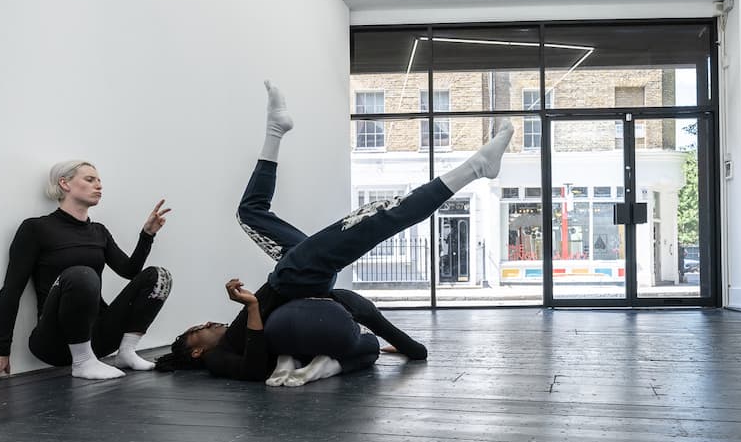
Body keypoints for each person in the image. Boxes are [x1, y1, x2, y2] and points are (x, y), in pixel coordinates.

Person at [155, 80, 514, 387]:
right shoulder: (218, 359)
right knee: (374, 221)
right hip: (292, 278)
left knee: (250, 213)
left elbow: (372, 324)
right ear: (196, 349)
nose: (204, 324)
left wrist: (405, 348)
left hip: (294, 273)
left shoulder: (227, 341)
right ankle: (475, 168)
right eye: (196, 331)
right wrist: (251, 305)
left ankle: (275, 131)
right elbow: (252, 370)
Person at [0, 162, 173, 385]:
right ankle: (82, 361)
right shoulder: (36, 228)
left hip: (99, 338)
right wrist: (0, 348)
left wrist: (147, 235)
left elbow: (131, 271)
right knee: (81, 274)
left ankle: (126, 352)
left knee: (159, 276)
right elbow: (11, 290)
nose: (99, 186)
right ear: (64, 183)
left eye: (99, 181)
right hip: (54, 342)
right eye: (89, 179)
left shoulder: (99, 232)